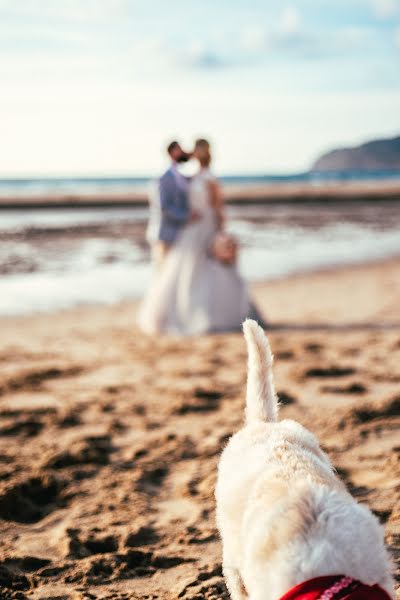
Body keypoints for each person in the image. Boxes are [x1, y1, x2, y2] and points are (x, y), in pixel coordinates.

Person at [137, 138, 264, 335]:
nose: (189, 153)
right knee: (183, 271)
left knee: (210, 269)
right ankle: (180, 314)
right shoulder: (190, 176)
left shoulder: (208, 177)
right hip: (191, 228)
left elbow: (218, 207)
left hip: (206, 227)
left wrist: (220, 231)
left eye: (193, 150)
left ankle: (211, 314)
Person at [146, 140, 194, 267]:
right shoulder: (165, 177)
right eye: (180, 149)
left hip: (178, 233)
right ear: (172, 152)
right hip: (165, 234)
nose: (183, 152)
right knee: (163, 271)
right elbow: (164, 206)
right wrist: (187, 216)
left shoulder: (180, 175)